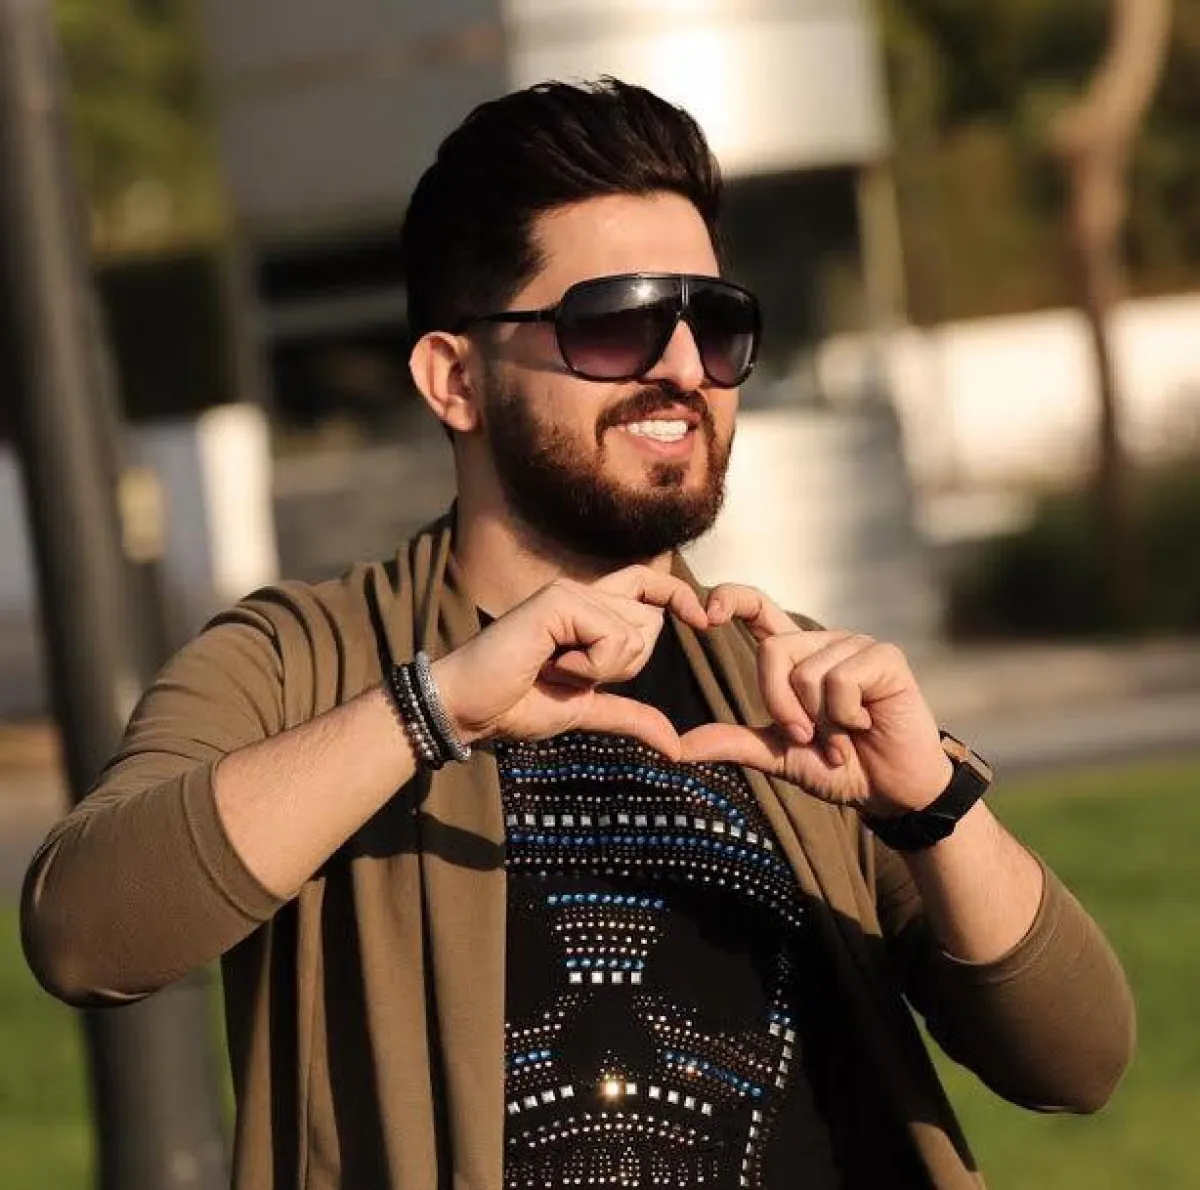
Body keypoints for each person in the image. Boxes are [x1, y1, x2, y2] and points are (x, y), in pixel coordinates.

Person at [22, 79, 1134, 1190]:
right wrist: (433, 707)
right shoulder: (298, 661)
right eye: (618, 323)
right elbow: (86, 930)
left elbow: (1079, 1060)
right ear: (455, 379)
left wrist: (930, 802)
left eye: (717, 324)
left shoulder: (788, 681)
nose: (684, 369)